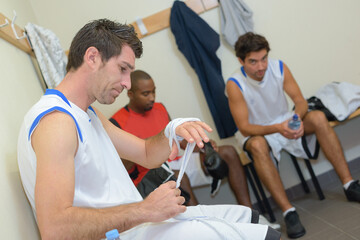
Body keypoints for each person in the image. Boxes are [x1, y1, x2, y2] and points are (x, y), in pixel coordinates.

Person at [17, 20, 281, 240]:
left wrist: (173, 129)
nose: (125, 83)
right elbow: (54, 229)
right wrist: (144, 210)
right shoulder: (56, 122)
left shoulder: (85, 112)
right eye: (122, 69)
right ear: (93, 57)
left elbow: (144, 152)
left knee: (248, 218)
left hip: (135, 225)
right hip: (125, 231)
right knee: (258, 236)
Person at [226, 32, 360, 239]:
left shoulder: (279, 67)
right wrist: (279, 128)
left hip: (284, 120)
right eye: (253, 62)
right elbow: (245, 127)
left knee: (317, 118)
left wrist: (296, 119)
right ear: (240, 61)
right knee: (258, 146)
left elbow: (300, 101)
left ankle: (349, 184)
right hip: (258, 131)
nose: (261, 67)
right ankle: (289, 212)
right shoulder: (235, 84)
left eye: (263, 59)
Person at [110, 69, 281, 230]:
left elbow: (179, 141)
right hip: (151, 174)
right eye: (146, 94)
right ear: (130, 94)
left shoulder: (160, 108)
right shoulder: (117, 122)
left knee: (227, 151)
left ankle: (250, 218)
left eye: (154, 91)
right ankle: (207, 229)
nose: (152, 97)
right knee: (179, 176)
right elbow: (122, 165)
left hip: (177, 162)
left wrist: (202, 145)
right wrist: (150, 144)